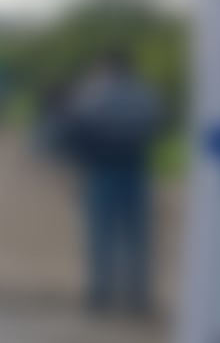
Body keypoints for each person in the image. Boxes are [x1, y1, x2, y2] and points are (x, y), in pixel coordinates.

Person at [58, 49, 161, 314]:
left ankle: (100, 295)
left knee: (101, 237)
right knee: (137, 239)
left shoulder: (91, 93)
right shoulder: (144, 94)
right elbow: (156, 126)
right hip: (135, 169)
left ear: (104, 66)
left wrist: (77, 162)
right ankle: (138, 296)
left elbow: (74, 129)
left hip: (101, 169)